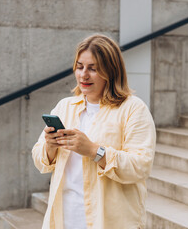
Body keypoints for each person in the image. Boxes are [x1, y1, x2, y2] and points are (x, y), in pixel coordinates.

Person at [32, 34, 156, 229]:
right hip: (65, 218)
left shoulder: (133, 109)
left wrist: (94, 151)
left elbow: (140, 166)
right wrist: (50, 146)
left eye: (93, 68)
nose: (83, 75)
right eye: (79, 66)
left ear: (111, 71)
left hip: (110, 221)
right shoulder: (65, 107)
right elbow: (40, 161)